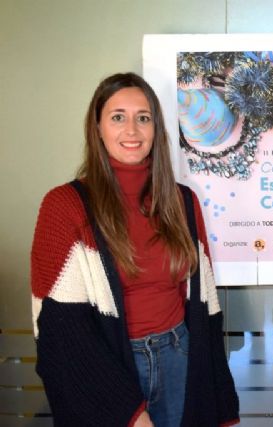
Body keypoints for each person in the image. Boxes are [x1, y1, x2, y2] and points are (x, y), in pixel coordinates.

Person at [31, 72, 240, 427]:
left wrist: (218, 401)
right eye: (118, 117)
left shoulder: (183, 202)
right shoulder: (65, 206)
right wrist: (127, 411)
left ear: (156, 128)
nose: (132, 130)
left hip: (180, 360)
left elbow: (206, 306)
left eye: (143, 118)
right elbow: (60, 330)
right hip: (110, 365)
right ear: (97, 128)